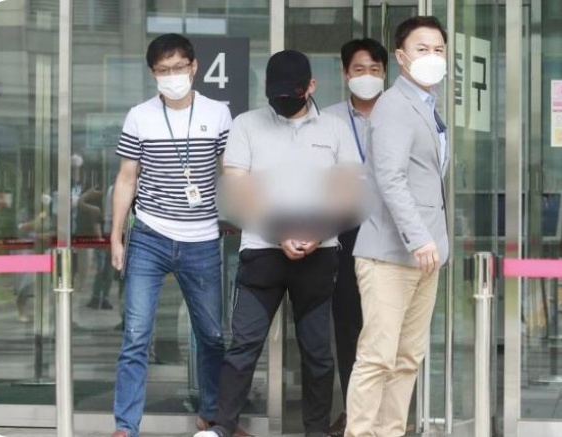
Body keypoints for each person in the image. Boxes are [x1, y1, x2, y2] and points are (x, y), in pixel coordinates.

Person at [194, 50, 361, 437]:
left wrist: (318, 231)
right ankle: (223, 427)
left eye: (292, 92)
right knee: (244, 345)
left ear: (311, 87)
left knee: (317, 352)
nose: (283, 100)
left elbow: (349, 191)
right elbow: (236, 187)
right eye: (277, 93)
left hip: (319, 255)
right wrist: (278, 233)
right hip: (262, 253)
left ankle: (315, 430)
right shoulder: (246, 125)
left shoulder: (335, 129)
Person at [109, 33, 233, 437]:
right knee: (136, 335)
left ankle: (211, 414)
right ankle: (126, 426)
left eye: (179, 67)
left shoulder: (218, 114)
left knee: (211, 335)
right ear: (153, 74)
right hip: (150, 235)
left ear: (194, 67)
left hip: (202, 239)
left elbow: (231, 173)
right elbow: (126, 179)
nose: (172, 75)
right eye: (163, 70)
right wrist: (116, 236)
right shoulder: (139, 116)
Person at [344, 16, 449, 437]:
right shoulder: (393, 105)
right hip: (391, 253)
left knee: (407, 358)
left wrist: (430, 242)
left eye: (439, 49)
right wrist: (419, 237)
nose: (432, 56)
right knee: (377, 357)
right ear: (402, 57)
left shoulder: (427, 106)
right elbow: (390, 178)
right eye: (422, 49)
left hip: (425, 255)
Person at [322, 37, 388, 437]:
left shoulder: (399, 115)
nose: (367, 76)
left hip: (390, 228)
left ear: (386, 73)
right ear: (345, 73)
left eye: (375, 70)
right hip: (345, 228)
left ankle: (387, 414)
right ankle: (353, 411)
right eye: (359, 69)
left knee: (386, 324)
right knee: (348, 323)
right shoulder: (328, 119)